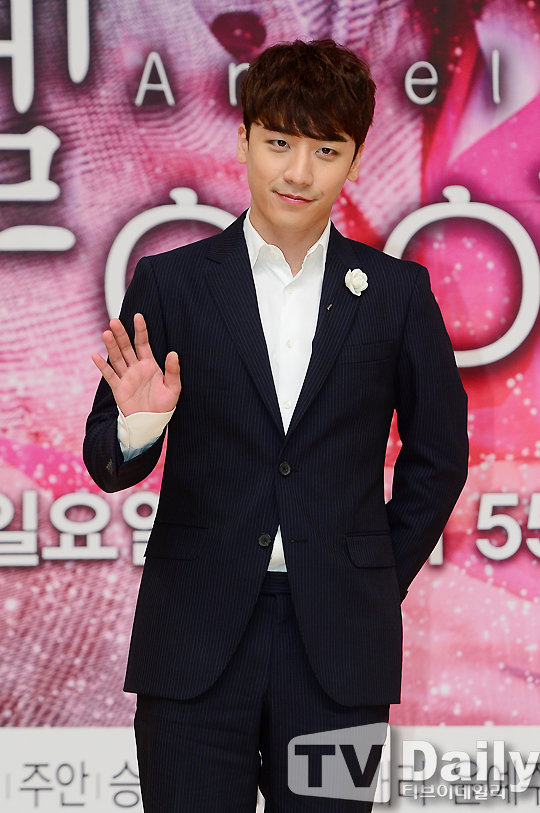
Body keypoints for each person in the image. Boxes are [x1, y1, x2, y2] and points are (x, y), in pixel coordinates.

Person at [84, 39, 468, 813]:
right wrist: (141, 424)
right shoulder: (172, 283)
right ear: (244, 140)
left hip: (339, 648)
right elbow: (105, 457)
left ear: (355, 159)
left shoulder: (397, 293)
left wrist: (369, 579)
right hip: (194, 639)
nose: (299, 172)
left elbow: (440, 455)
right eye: (280, 143)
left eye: (326, 150)